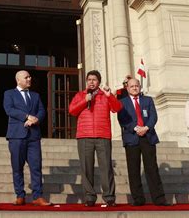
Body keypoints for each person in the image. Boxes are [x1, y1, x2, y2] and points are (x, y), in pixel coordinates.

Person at [69, 70, 122, 207]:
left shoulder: (105, 96)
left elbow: (117, 108)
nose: (91, 82)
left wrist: (110, 96)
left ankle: (109, 197)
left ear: (99, 82)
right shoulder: (80, 95)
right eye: (89, 80)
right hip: (84, 136)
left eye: (94, 80)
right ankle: (90, 197)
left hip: (103, 135)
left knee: (106, 167)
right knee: (86, 168)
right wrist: (84, 101)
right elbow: (72, 110)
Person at [117, 78, 170, 206]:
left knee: (152, 168)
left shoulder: (148, 100)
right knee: (133, 170)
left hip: (148, 136)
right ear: (127, 88)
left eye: (136, 85)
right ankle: (138, 199)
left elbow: (153, 116)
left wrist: (146, 128)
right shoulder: (122, 102)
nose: (134, 88)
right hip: (132, 138)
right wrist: (136, 128)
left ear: (140, 87)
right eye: (131, 86)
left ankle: (159, 199)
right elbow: (122, 119)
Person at [3, 70, 52, 206]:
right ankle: (20, 195)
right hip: (16, 135)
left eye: (30, 76)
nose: (29, 79)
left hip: (33, 136)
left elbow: (42, 110)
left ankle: (37, 196)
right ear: (18, 80)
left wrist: (35, 119)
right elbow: (9, 110)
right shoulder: (9, 94)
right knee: (17, 167)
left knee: (36, 167)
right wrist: (26, 116)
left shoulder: (35, 96)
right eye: (26, 77)